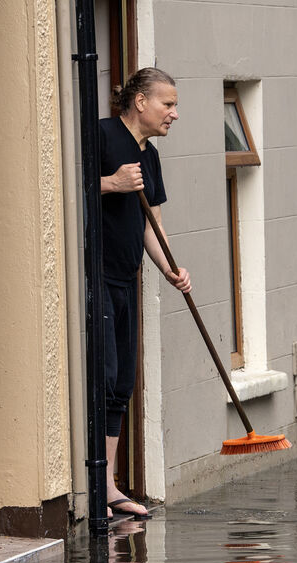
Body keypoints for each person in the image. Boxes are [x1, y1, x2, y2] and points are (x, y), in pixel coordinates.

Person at [98, 68, 191, 518]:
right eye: (167, 104)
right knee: (103, 375)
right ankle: (95, 483)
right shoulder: (99, 136)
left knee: (121, 384)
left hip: (126, 276)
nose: (174, 113)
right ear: (139, 102)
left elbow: (153, 225)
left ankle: (108, 485)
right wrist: (109, 183)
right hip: (94, 278)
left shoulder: (149, 157)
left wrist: (172, 268)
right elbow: (57, 191)